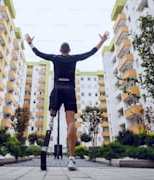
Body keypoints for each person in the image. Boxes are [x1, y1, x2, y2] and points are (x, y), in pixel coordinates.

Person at [25, 31, 109, 170]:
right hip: (69, 90)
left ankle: (46, 142)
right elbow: (91, 52)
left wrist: (30, 43)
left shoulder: (55, 57)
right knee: (71, 122)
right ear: (69, 51)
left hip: (57, 90)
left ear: (60, 50)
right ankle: (71, 159)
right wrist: (102, 41)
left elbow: (38, 53)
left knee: (52, 118)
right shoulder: (73, 58)